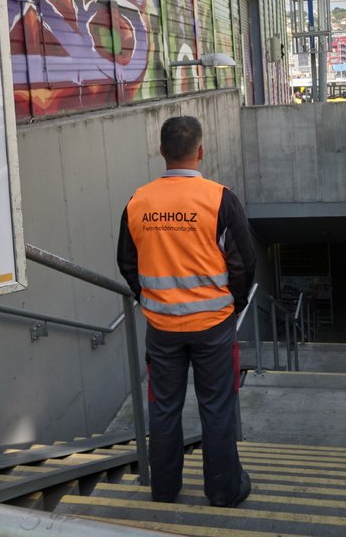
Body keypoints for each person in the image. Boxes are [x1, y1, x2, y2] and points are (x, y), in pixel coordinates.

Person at [117, 115, 255, 507]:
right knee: (217, 408)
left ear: (161, 152)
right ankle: (224, 490)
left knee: (163, 408)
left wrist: (147, 299)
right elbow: (244, 261)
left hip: (161, 327)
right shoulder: (220, 199)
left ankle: (164, 489)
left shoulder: (138, 201)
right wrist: (235, 303)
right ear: (200, 151)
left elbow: (127, 262)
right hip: (213, 326)